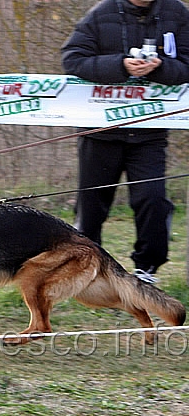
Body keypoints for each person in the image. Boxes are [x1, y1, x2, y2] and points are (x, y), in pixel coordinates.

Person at [61, 0, 189, 283]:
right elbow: (72, 59)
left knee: (153, 201)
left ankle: (147, 270)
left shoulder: (177, 13)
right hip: (100, 130)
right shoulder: (101, 13)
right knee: (91, 207)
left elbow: (186, 65)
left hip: (151, 132)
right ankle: (87, 270)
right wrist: (119, 65)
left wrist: (160, 68)